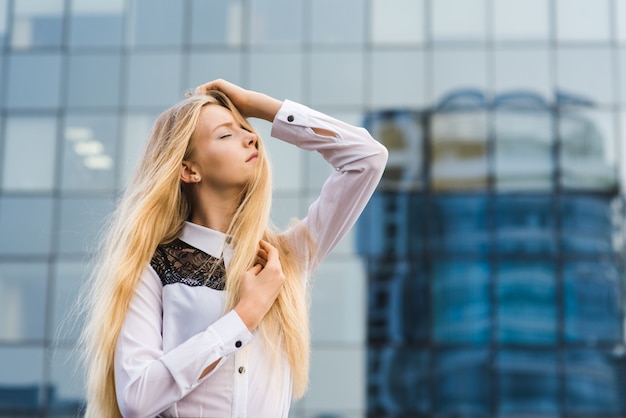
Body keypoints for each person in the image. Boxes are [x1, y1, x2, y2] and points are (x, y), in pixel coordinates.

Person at [80, 79, 388, 418]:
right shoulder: (153, 265)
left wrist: (261, 107)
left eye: (246, 129)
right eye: (226, 135)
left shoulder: (283, 259)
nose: (251, 137)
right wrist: (244, 316)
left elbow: (368, 157)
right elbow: (137, 398)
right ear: (188, 169)